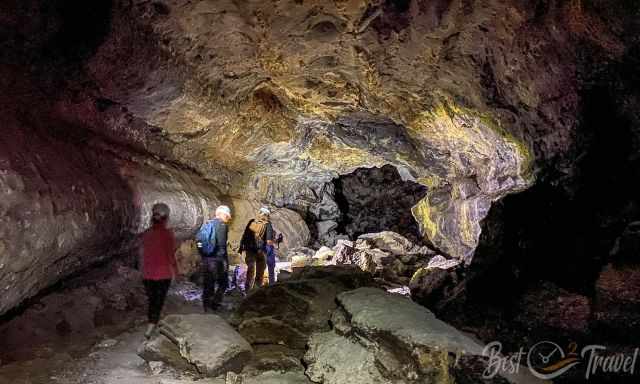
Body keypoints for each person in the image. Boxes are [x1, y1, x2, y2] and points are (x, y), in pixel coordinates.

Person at [141, 203, 177, 339]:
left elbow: (142, 254)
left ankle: (152, 322)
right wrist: (176, 272)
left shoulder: (146, 234)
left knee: (152, 300)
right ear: (166, 218)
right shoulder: (168, 235)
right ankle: (150, 327)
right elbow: (170, 255)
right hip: (163, 274)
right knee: (158, 301)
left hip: (148, 274)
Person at [196, 205, 232, 312]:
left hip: (207, 259)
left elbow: (200, 241)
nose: (228, 218)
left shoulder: (208, 224)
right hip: (217, 260)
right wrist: (225, 261)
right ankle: (214, 304)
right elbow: (222, 246)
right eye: (227, 216)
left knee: (209, 283)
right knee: (223, 283)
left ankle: (207, 306)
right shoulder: (222, 226)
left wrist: (204, 255)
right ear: (222, 214)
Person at [239, 206, 274, 291]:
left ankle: (247, 290)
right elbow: (269, 241)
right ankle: (255, 291)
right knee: (259, 272)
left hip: (250, 250)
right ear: (268, 215)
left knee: (250, 269)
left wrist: (241, 247)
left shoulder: (252, 221)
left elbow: (244, 235)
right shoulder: (268, 224)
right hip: (260, 251)